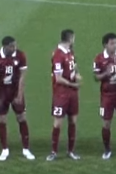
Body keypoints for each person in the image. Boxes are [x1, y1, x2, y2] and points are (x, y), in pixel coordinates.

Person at [0, 36, 34, 161]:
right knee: (2, 120)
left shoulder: (20, 55)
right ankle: (4, 150)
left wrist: (19, 94)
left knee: (21, 117)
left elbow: (22, 77)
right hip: (2, 92)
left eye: (15, 45)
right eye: (12, 46)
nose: (14, 48)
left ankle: (26, 149)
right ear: (5, 46)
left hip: (14, 91)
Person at [47, 29, 82, 161]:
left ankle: (71, 151)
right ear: (70, 38)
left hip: (72, 94)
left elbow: (74, 67)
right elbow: (58, 78)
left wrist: (77, 75)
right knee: (58, 123)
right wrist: (74, 85)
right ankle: (54, 152)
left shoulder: (70, 52)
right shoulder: (58, 54)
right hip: (61, 94)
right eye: (73, 38)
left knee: (73, 121)